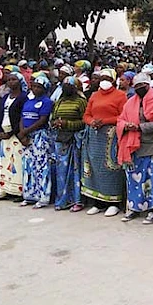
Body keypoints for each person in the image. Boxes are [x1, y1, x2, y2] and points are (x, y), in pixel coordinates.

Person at [117, 73, 153, 224]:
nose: (139, 89)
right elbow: (120, 119)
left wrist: (140, 127)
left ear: (148, 86)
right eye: (136, 86)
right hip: (132, 146)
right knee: (133, 178)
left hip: (151, 145)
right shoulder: (130, 102)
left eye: (142, 86)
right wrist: (126, 126)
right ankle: (134, 207)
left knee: (151, 180)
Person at [82, 68, 127, 216]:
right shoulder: (94, 95)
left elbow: (122, 116)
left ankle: (113, 202)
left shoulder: (120, 96)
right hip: (95, 136)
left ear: (114, 80)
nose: (104, 81)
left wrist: (105, 121)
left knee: (111, 168)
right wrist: (92, 121)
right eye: (102, 78)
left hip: (111, 136)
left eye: (107, 78)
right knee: (95, 167)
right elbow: (87, 114)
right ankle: (98, 202)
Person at [51, 76, 88, 211]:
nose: (67, 87)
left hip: (74, 140)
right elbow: (53, 117)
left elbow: (85, 121)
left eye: (70, 85)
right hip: (61, 140)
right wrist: (55, 123)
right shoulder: (59, 101)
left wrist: (68, 124)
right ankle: (62, 200)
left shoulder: (81, 101)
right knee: (61, 172)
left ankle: (76, 200)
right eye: (65, 85)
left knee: (75, 171)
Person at [19, 75, 54, 208]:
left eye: (39, 87)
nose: (35, 89)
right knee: (28, 165)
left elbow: (42, 120)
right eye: (34, 86)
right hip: (26, 136)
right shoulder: (28, 101)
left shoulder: (46, 101)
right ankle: (29, 195)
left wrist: (26, 132)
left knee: (41, 166)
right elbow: (22, 117)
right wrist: (22, 133)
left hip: (40, 136)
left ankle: (43, 197)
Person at [0, 73, 28, 201]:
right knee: (5, 163)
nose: (11, 82)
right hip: (4, 134)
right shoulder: (5, 97)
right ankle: (6, 190)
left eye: (14, 80)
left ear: (20, 82)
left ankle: (18, 191)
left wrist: (11, 132)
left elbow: (20, 117)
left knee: (17, 163)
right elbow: (0, 115)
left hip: (15, 134)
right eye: (9, 80)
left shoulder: (23, 98)